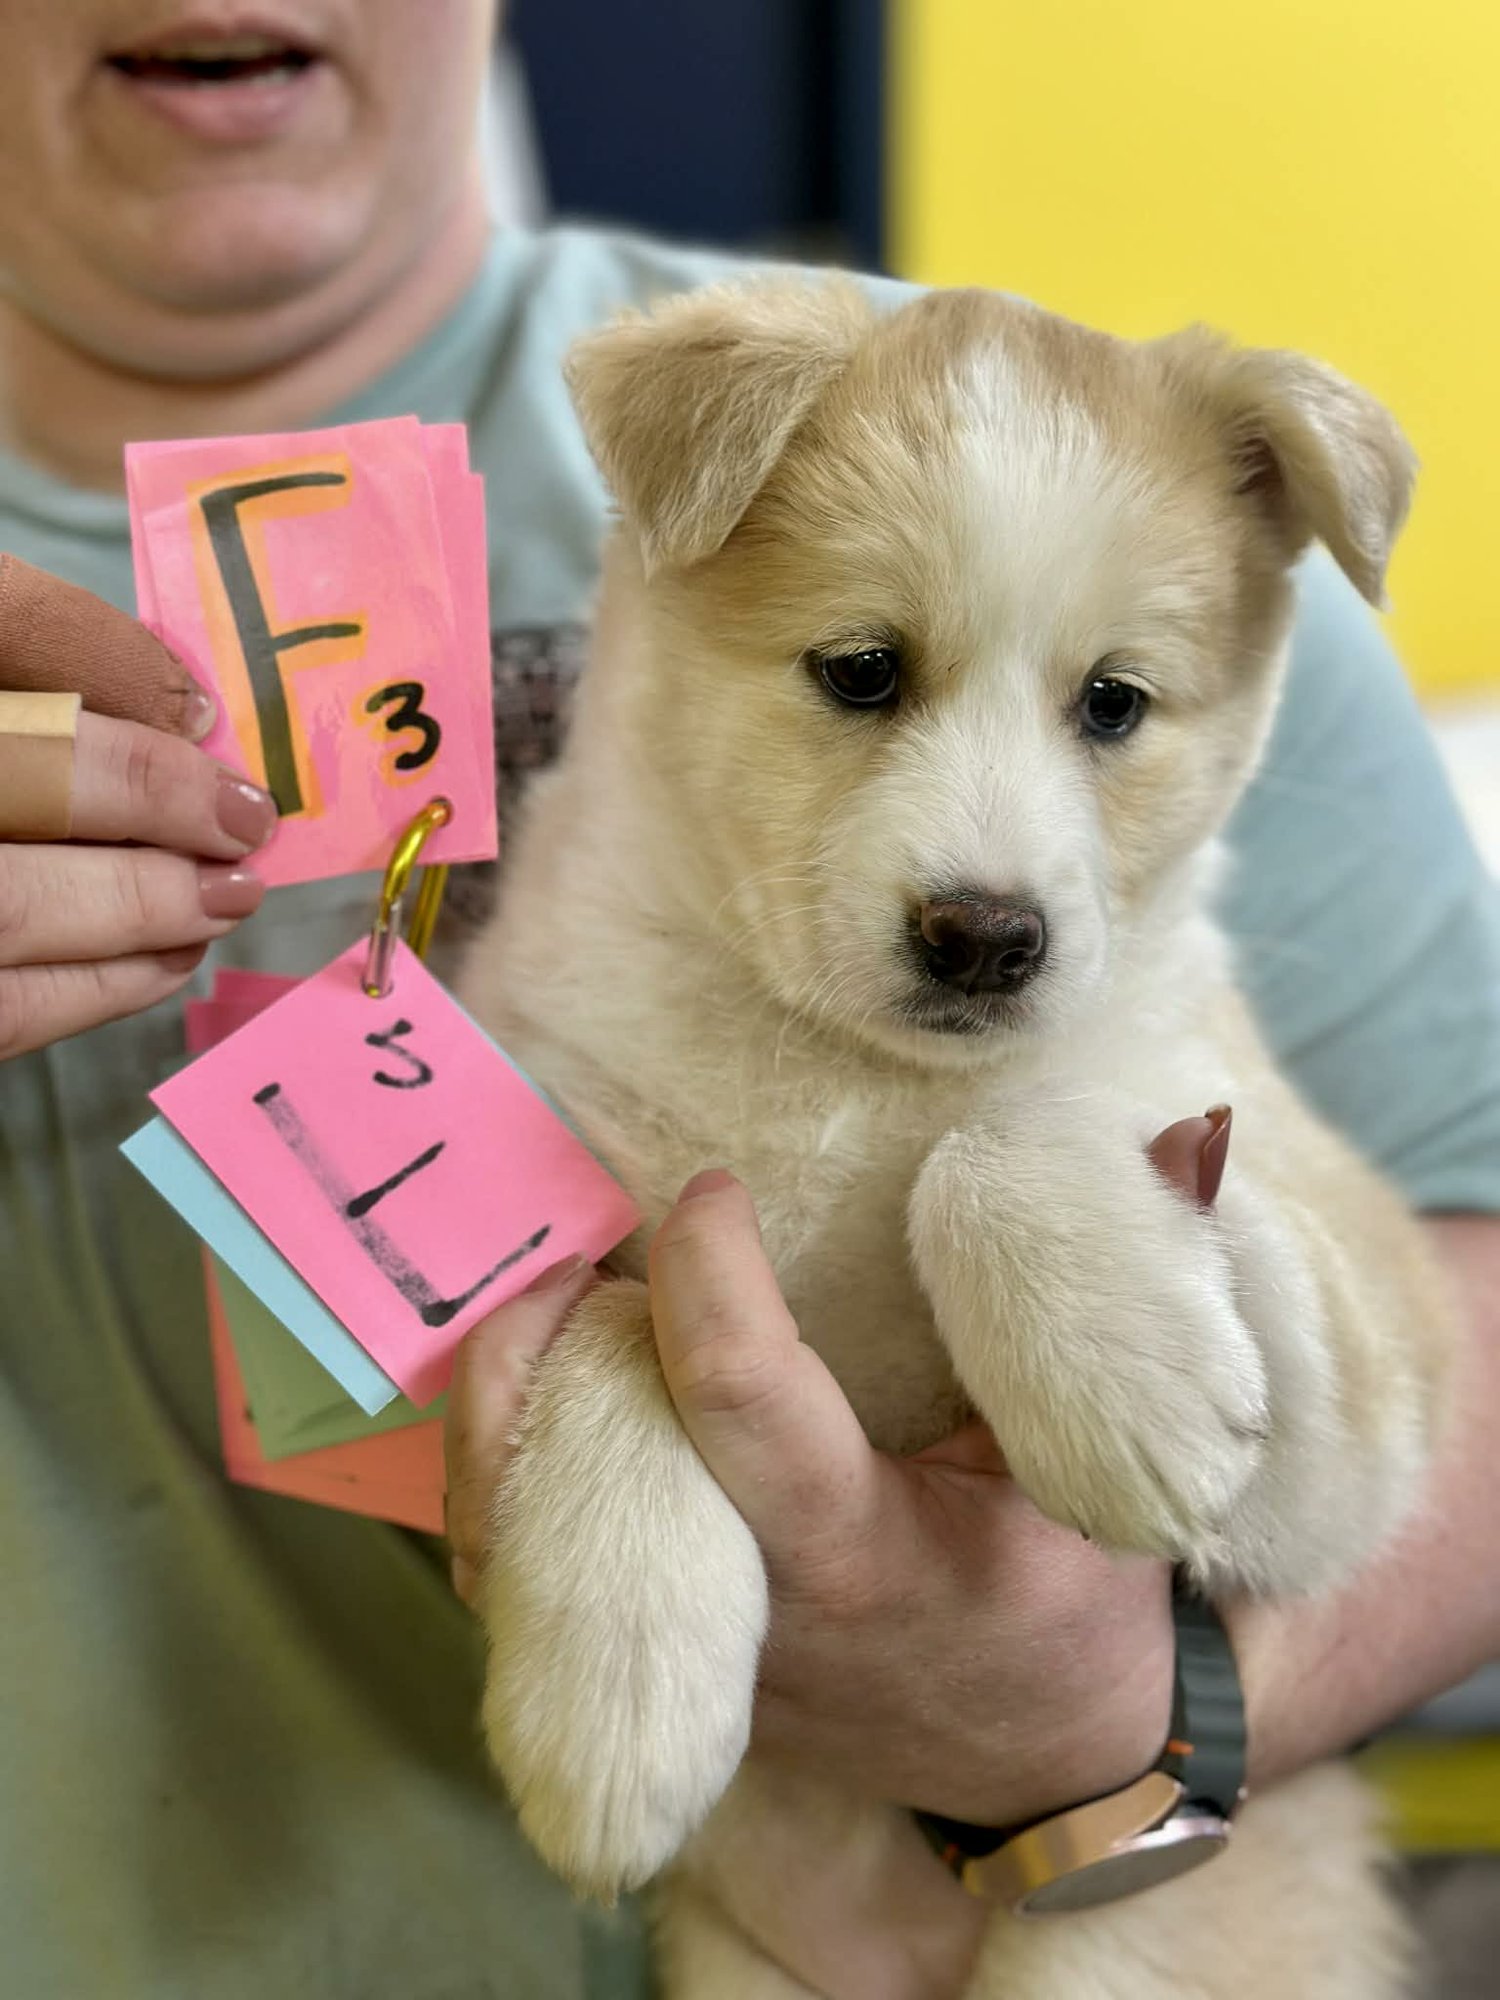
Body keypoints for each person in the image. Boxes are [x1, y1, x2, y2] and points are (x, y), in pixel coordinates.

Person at [1, 4, 1496, 1995]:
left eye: (1108, 709)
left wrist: (1112, 1716)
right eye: (867, 674)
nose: (993, 864)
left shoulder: (1074, 433)